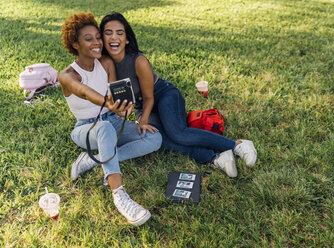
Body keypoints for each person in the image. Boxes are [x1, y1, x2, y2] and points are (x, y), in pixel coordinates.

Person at [99, 12, 257, 178]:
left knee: (177, 133)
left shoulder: (139, 61)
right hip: (142, 106)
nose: (113, 38)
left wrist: (143, 120)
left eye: (119, 33)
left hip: (163, 94)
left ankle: (238, 145)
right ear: (102, 38)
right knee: (160, 140)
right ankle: (217, 158)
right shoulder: (104, 64)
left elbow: (149, 97)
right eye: (108, 33)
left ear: (127, 39)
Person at [59, 12, 162, 226]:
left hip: (112, 121)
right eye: (89, 39)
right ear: (75, 44)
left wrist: (122, 110)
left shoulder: (106, 63)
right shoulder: (68, 75)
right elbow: (85, 92)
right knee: (104, 128)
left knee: (155, 138)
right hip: (86, 129)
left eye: (98, 37)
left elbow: (117, 96)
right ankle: (120, 196)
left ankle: (95, 159)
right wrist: (107, 103)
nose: (97, 42)